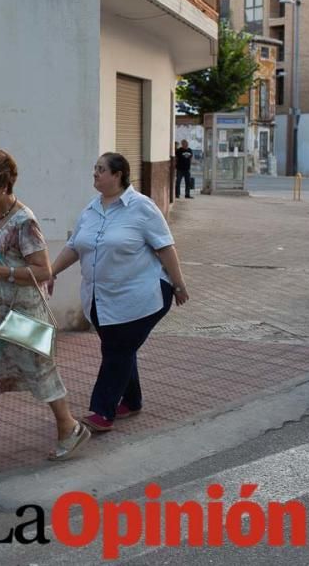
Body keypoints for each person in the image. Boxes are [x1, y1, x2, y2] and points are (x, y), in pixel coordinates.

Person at [0, 149, 90, 466]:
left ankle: (70, 428)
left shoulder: (24, 221)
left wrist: (3, 273)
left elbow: (43, 271)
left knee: (41, 374)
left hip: (23, 316)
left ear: (2, 185)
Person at [49, 153, 189, 432]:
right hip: (101, 299)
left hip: (143, 296)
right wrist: (51, 271)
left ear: (118, 175)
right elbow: (75, 246)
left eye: (101, 170)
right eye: (95, 169)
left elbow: (165, 247)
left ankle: (103, 410)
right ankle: (132, 400)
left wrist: (179, 284)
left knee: (118, 349)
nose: (95, 174)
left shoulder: (142, 208)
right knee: (120, 349)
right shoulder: (91, 209)